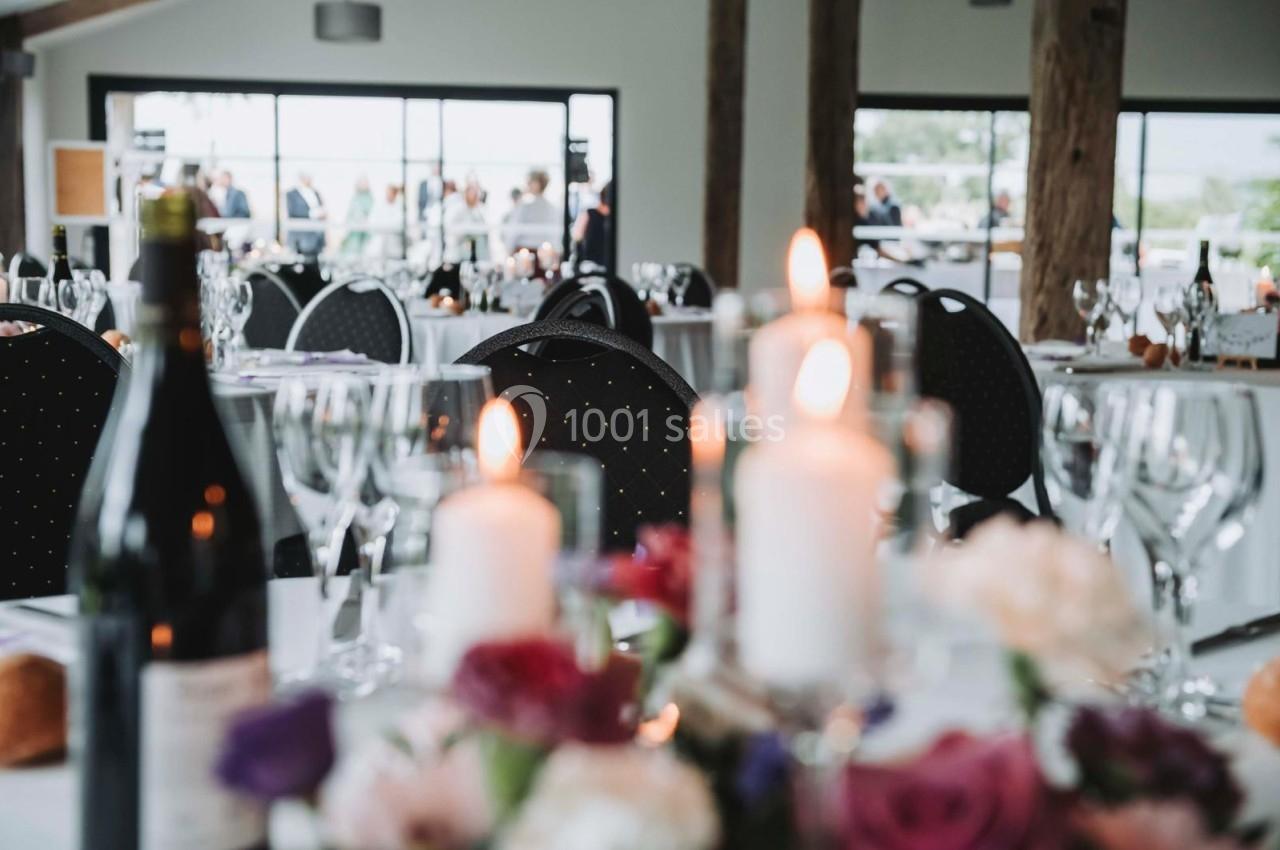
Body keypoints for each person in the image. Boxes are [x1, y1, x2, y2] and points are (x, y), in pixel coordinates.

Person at [504, 168, 560, 251]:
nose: (527, 184)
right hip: (544, 252)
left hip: (525, 251)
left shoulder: (524, 207)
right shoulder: (553, 208)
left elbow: (513, 232)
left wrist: (508, 250)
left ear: (537, 184)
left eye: (530, 182)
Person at [444, 180, 489, 262]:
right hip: (459, 250)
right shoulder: (458, 209)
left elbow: (484, 229)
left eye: (476, 194)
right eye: (472, 193)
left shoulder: (479, 210)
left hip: (476, 251)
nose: (474, 196)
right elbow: (450, 227)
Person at [572, 181, 612, 269]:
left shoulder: (589, 214)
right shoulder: (589, 214)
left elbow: (576, 237)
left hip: (591, 265)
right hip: (595, 266)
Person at [286, 173, 327, 257]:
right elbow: (293, 212)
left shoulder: (315, 192)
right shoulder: (291, 194)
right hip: (301, 238)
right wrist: (313, 214)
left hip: (316, 237)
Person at [367, 183, 406, 259]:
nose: (388, 195)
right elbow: (372, 221)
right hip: (379, 239)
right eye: (387, 193)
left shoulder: (399, 206)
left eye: (390, 193)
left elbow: (398, 224)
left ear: (394, 194)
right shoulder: (378, 205)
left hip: (394, 241)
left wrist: (387, 227)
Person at [341, 177, 374, 255]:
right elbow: (350, 214)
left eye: (365, 183)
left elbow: (370, 214)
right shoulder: (355, 198)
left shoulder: (370, 198)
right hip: (353, 232)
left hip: (364, 233)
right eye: (361, 183)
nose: (362, 185)